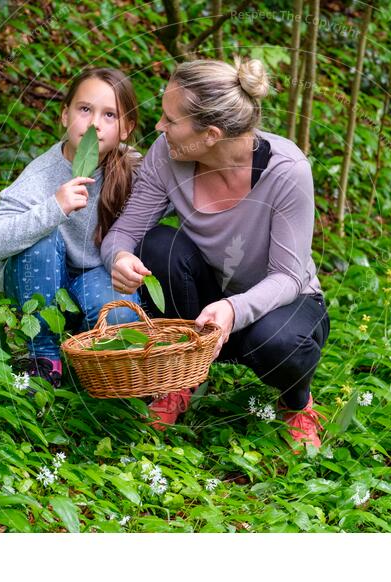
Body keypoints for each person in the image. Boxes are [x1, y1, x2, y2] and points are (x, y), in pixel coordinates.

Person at [101, 58, 331, 451]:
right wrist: (118, 256)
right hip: (203, 303)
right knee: (157, 244)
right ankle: (180, 379)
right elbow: (125, 232)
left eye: (170, 121)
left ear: (210, 134)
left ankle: (296, 402)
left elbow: (289, 277)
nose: (159, 127)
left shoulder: (287, 170)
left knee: (278, 343)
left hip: (278, 304)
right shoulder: (166, 154)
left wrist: (233, 309)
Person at [0, 68, 142, 388]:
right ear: (65, 115)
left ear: (126, 128)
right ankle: (42, 357)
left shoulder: (134, 169)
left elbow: (179, 196)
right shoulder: (43, 174)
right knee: (41, 241)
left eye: (109, 115)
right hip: (37, 283)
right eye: (84, 109)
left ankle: (87, 360)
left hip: (92, 280)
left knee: (118, 311)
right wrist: (54, 209)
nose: (94, 124)